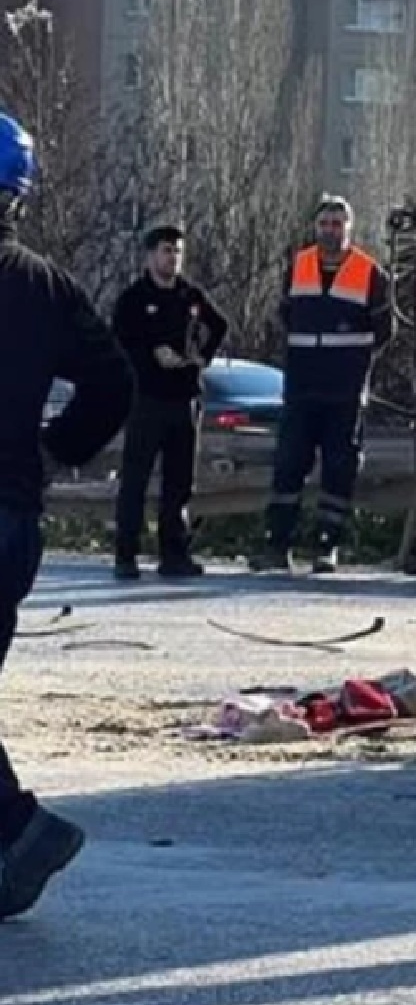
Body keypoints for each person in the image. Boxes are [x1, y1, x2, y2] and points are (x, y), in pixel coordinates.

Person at [0, 110, 133, 919]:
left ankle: (21, 829)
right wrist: (57, 446)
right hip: (15, 521)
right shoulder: (45, 284)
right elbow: (114, 380)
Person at [250, 195, 392, 574]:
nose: (330, 231)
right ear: (316, 227)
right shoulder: (298, 265)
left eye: (337, 224)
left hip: (344, 388)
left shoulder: (370, 272)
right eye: (324, 224)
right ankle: (277, 544)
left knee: (339, 466)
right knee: (289, 463)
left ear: (349, 228)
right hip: (301, 384)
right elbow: (284, 314)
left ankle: (327, 545)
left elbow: (384, 329)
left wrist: (354, 361)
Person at [108, 224, 228, 580]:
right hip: (146, 399)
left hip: (183, 398)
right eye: (164, 250)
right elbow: (119, 345)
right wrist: (151, 355)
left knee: (180, 482)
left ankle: (174, 554)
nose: (171, 258)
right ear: (149, 255)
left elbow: (219, 326)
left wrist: (199, 357)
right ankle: (126, 554)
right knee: (136, 480)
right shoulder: (132, 299)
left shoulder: (190, 296)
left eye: (176, 251)